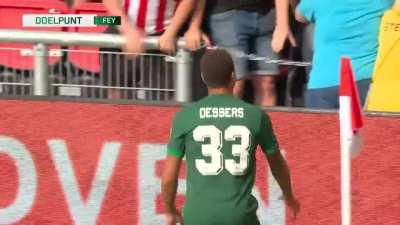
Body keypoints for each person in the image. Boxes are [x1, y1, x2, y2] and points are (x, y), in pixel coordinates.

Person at [162, 49, 300, 225]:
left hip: (197, 217)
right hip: (240, 217)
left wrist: (170, 210)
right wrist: (288, 195)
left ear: (203, 79)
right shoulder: (255, 116)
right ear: (233, 76)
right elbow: (277, 163)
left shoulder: (185, 117)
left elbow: (168, 177)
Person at [184, 0, 296, 107]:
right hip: (227, 14)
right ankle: (227, 125)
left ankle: (263, 126)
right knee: (234, 84)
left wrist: (282, 24)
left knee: (267, 83)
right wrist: (194, 26)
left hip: (266, 15)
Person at [296, 0, 394, 109]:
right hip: (363, 82)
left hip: (322, 84)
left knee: (319, 126)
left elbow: (299, 15)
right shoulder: (382, 2)